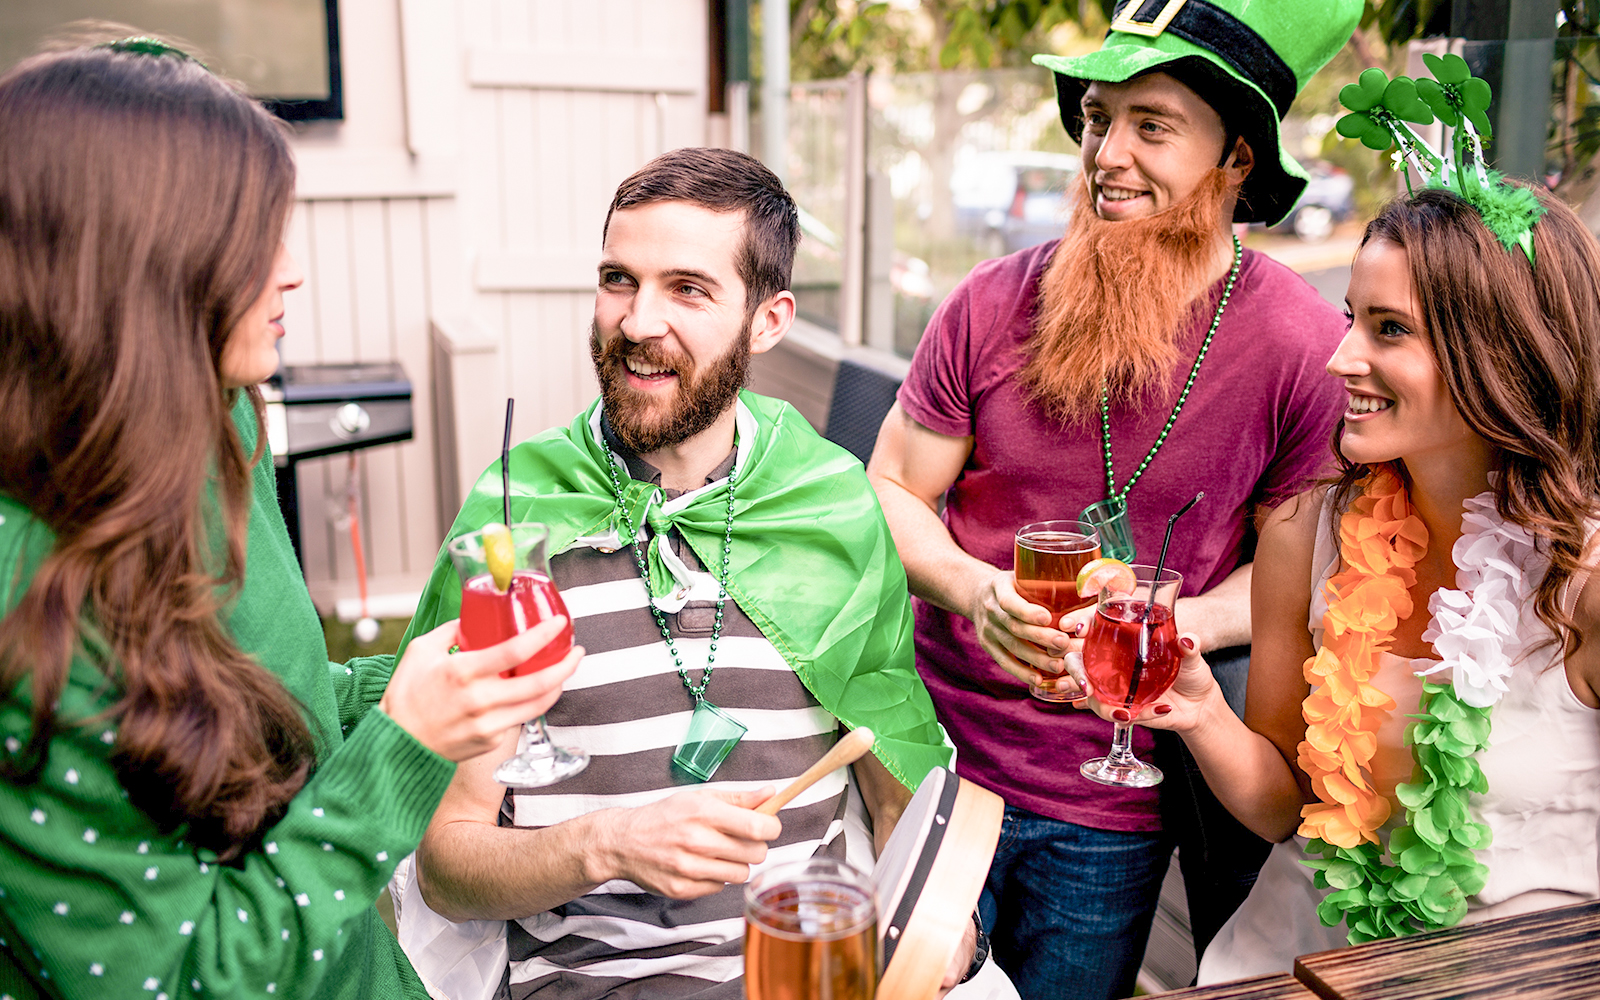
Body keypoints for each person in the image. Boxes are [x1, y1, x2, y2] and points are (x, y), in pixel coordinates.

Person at [0, 42, 577, 1000]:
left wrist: (423, 683)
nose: (294, 272)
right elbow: (188, 979)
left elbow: (262, 703)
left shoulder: (217, 426)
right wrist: (405, 748)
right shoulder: (22, 614)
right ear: (137, 271)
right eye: (254, 241)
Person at [865, 1, 1362, 996]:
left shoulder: (1304, 348)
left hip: (1112, 806)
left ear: (1236, 158)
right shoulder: (990, 300)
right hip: (933, 761)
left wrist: (1175, 622)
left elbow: (1295, 570)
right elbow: (889, 488)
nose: (1107, 154)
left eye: (1152, 125)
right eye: (1097, 119)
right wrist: (972, 589)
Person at [398, 147, 968, 1000]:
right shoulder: (517, 522)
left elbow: (895, 802)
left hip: (810, 973)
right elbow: (445, 864)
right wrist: (606, 845)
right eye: (619, 280)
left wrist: (938, 926)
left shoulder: (830, 509)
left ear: (767, 321)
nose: (637, 323)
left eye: (688, 289)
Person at [1095, 150, 1600, 986]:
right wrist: (1199, 709)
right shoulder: (1304, 533)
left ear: (1501, 353)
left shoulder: (1583, 580)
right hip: (1291, 964)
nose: (1339, 358)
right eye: (1350, 319)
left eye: (1389, 329)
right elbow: (1283, 807)